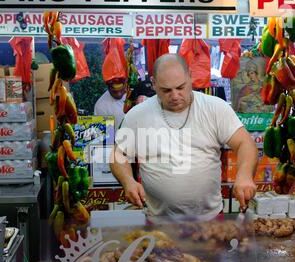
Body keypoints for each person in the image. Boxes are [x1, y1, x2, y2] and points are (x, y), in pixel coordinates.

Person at [110, 54, 258, 220]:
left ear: (190, 76)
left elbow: (245, 143)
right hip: (158, 222)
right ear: (154, 84)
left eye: (180, 87)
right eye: (166, 90)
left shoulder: (216, 108)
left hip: (210, 220)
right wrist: (127, 181)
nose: (174, 96)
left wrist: (244, 174)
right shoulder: (137, 115)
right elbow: (118, 155)